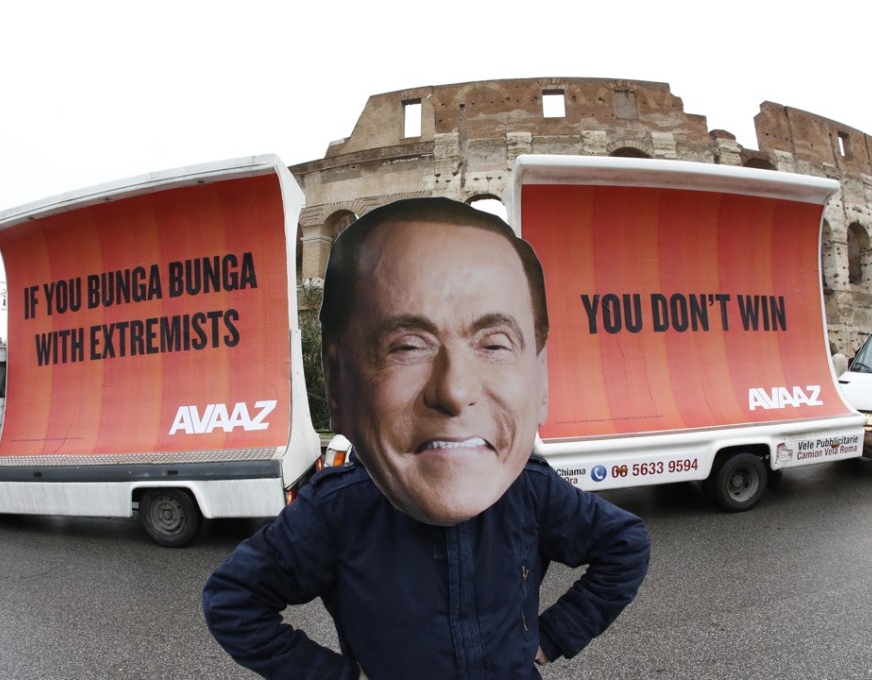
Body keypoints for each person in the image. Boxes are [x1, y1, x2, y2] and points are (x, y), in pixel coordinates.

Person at [203, 198, 650, 679]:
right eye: (408, 347)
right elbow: (234, 601)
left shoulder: (529, 491)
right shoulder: (340, 510)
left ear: (539, 380)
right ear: (338, 383)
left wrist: (555, 635)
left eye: (494, 344)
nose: (455, 393)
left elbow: (625, 545)